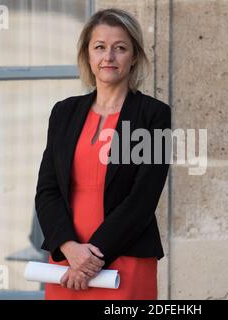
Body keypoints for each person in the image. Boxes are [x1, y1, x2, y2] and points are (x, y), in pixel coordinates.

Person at [34, 8, 171, 300]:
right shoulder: (64, 112)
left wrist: (91, 260)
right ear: (88, 55)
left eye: (120, 48)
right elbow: (47, 191)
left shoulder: (153, 115)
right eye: (99, 47)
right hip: (67, 260)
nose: (108, 56)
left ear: (134, 56)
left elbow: (142, 199)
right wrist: (71, 250)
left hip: (124, 258)